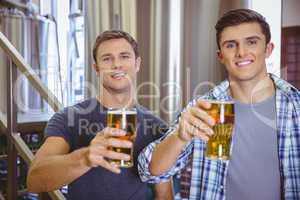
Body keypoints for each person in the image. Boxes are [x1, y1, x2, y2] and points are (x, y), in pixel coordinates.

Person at [138, 8, 300, 200]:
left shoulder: (296, 107)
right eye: (231, 45)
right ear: (220, 56)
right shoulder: (205, 108)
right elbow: (150, 170)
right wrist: (180, 136)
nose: (241, 52)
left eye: (251, 42)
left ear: (268, 49)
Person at [27, 30, 173, 200]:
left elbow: (164, 195)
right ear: (96, 68)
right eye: (107, 58)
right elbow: (34, 180)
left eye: (124, 56)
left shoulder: (158, 128)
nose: (116, 64)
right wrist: (86, 157)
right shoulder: (69, 118)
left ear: (137, 63)